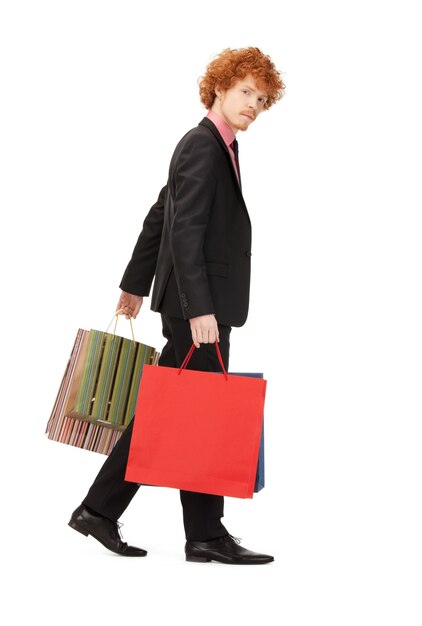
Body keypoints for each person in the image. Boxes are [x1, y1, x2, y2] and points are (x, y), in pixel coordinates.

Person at [68, 47, 285, 565]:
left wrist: (134, 283)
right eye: (244, 92)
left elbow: (159, 214)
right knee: (181, 417)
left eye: (261, 98)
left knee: (188, 416)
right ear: (218, 89)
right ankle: (150, 521)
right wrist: (198, 310)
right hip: (200, 311)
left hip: (199, 305)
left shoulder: (216, 145)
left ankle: (188, 529)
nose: (252, 104)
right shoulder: (203, 146)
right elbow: (184, 233)